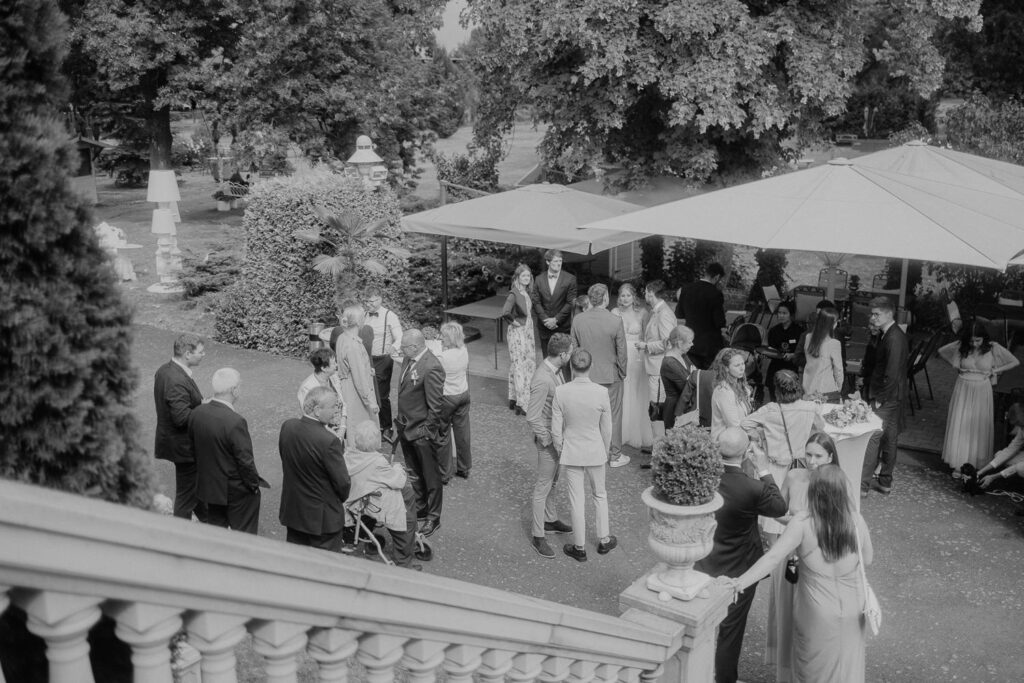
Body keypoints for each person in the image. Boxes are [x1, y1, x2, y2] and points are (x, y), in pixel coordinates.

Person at [722, 464, 873, 683]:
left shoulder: (803, 523)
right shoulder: (856, 521)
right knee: (847, 668)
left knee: (812, 669)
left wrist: (739, 582)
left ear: (815, 491)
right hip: (853, 606)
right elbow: (867, 559)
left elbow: (772, 558)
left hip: (816, 609)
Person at [694, 427, 787, 683]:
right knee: (731, 631)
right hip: (740, 568)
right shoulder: (753, 488)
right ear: (747, 452)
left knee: (701, 625)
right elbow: (780, 506)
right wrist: (764, 469)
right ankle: (724, 679)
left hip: (703, 561)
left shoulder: (702, 477)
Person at [763, 432, 841, 683]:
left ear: (830, 456)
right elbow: (778, 512)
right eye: (808, 454)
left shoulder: (837, 484)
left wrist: (804, 520)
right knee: (787, 611)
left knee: (812, 619)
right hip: (791, 555)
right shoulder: (794, 476)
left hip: (820, 558)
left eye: (818, 455)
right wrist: (793, 519)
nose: (812, 460)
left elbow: (841, 524)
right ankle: (787, 673)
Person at [741, 369, 825, 537]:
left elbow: (745, 424)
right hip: (800, 465)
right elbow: (819, 428)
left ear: (777, 390)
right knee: (797, 506)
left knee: (773, 511)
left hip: (775, 466)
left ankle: (774, 549)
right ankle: (793, 554)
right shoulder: (811, 407)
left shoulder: (770, 410)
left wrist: (762, 434)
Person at [551, 349, 617, 561]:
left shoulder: (561, 391)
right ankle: (604, 539)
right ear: (590, 367)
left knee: (576, 499)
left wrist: (561, 447)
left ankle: (579, 547)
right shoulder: (601, 392)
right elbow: (607, 428)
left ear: (571, 367)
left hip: (572, 449)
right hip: (595, 449)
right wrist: (605, 450)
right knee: (600, 494)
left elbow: (556, 428)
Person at [938, 321, 1019, 474]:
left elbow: (1014, 361)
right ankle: (958, 462)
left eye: (978, 340)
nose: (974, 344)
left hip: (982, 389)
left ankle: (975, 463)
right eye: (971, 340)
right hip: (963, 388)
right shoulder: (962, 347)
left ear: (984, 339)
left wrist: (995, 370)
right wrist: (957, 358)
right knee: (960, 424)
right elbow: (942, 350)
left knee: (977, 425)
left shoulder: (993, 348)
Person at [189, 368, 263, 534]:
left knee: (217, 533)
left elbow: (193, 446)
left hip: (209, 487)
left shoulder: (197, 413)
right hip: (235, 490)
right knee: (244, 536)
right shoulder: (235, 421)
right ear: (234, 390)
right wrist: (253, 485)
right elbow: (245, 460)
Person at [344, 421, 425, 570]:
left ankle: (408, 542)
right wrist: (398, 467)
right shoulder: (377, 461)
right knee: (405, 517)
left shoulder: (349, 453)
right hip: (368, 499)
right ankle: (403, 563)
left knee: (407, 494)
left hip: (356, 496)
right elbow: (397, 481)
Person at [279, 387, 352, 551]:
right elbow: (343, 483)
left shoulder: (288, 426)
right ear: (317, 410)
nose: (336, 412)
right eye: (333, 407)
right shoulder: (329, 441)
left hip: (294, 512)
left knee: (296, 564)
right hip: (322, 520)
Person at [525, 333, 574, 558]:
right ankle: (538, 535)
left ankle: (551, 519)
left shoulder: (556, 371)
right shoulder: (542, 378)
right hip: (548, 443)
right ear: (562, 354)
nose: (572, 354)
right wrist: (548, 442)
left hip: (557, 439)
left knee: (553, 482)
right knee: (542, 487)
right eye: (570, 351)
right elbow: (532, 416)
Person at [395, 329, 447, 538]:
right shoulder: (410, 359)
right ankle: (420, 506)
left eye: (404, 347)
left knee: (431, 476)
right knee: (415, 472)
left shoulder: (431, 366)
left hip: (421, 432)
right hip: (406, 427)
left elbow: (436, 406)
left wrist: (426, 431)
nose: (401, 350)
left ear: (415, 346)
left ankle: (434, 517)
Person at [571, 284, 629, 467]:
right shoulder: (615, 320)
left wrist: (577, 374)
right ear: (605, 298)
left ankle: (588, 452)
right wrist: (622, 373)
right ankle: (614, 455)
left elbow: (574, 350)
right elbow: (622, 353)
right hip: (610, 376)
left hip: (585, 375)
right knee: (613, 416)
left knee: (586, 415)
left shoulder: (578, 320)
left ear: (590, 298)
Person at [154, 333, 207, 521]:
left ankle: (209, 520)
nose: (204, 354)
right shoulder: (177, 380)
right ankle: (180, 532)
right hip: (184, 447)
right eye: (200, 352)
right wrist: (205, 410)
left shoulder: (164, 370)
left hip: (175, 443)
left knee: (194, 486)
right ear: (187, 354)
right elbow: (182, 417)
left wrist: (200, 403)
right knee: (186, 495)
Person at [860, 296, 910, 497]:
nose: (873, 317)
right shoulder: (889, 334)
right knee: (889, 438)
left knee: (872, 437)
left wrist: (879, 398)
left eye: (876, 314)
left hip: (887, 396)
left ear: (889, 313)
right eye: (872, 313)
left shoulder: (894, 337)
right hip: (892, 395)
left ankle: (862, 486)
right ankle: (885, 482)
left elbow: (892, 372)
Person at [612, 283, 653, 450]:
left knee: (637, 390)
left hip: (637, 356)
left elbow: (646, 335)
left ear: (634, 297)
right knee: (623, 390)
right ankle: (621, 431)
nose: (625, 298)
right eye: (622, 295)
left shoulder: (642, 313)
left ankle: (637, 430)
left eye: (628, 295)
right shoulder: (614, 313)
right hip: (621, 355)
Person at [335, 304, 379, 448]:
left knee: (353, 426)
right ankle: (360, 460)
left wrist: (367, 370)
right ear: (359, 321)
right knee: (360, 429)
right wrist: (370, 401)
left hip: (348, 386)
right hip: (356, 392)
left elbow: (349, 365)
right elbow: (359, 377)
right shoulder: (353, 344)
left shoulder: (343, 337)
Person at [362, 286, 403, 436]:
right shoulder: (364, 314)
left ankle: (387, 427)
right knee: (366, 390)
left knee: (381, 393)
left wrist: (394, 347)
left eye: (372, 301)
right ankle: (372, 423)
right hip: (366, 359)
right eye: (367, 301)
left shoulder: (389, 315)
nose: (369, 304)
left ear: (380, 299)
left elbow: (399, 337)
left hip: (383, 359)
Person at [638, 280, 679, 433]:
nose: (645, 296)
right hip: (655, 367)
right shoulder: (656, 312)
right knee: (655, 406)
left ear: (651, 293)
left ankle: (659, 446)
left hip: (660, 368)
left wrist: (646, 346)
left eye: (646, 293)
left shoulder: (664, 314)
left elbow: (668, 343)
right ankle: (656, 443)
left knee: (657, 407)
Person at [435, 321, 472, 481]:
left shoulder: (443, 357)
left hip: (447, 397)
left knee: (443, 433)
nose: (441, 338)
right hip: (463, 393)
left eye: (443, 336)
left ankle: (444, 473)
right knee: (463, 432)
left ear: (449, 338)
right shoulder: (464, 350)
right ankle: (464, 467)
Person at [675, 262, 727, 369]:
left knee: (692, 375)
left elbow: (679, 314)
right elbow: (719, 322)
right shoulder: (716, 293)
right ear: (717, 277)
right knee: (707, 378)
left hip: (689, 340)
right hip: (709, 345)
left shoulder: (686, 289)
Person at [502, 263, 537, 415]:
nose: (526, 278)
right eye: (523, 275)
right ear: (517, 277)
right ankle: (522, 403)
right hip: (518, 333)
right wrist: (514, 322)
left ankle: (514, 398)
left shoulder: (525, 292)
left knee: (521, 364)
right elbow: (505, 312)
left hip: (527, 331)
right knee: (519, 365)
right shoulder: (514, 293)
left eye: (528, 276)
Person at [530, 249, 578, 358]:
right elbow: (536, 302)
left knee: (563, 360)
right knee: (547, 359)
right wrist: (546, 320)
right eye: (555, 261)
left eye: (560, 261)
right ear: (548, 262)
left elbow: (570, 303)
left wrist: (556, 319)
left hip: (562, 327)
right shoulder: (538, 279)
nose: (559, 264)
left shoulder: (570, 279)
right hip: (544, 327)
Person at [297, 347, 347, 438]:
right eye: (334, 363)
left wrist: (342, 426)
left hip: (338, 428)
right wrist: (334, 434)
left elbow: (342, 403)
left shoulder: (333, 377)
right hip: (320, 435)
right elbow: (310, 418)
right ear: (324, 368)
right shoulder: (307, 388)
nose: (336, 365)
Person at [711, 347, 754, 442]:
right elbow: (734, 425)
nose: (742, 368)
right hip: (725, 443)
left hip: (739, 439)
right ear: (726, 368)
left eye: (743, 364)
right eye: (737, 365)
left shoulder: (741, 386)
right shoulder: (724, 391)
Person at [659, 325, 698, 430]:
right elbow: (688, 385)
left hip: (684, 407)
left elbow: (695, 375)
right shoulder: (669, 362)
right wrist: (692, 376)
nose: (692, 344)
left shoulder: (683, 355)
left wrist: (692, 376)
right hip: (674, 410)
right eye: (690, 342)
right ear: (680, 343)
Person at [802, 306, 844, 401]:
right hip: (827, 390)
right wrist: (838, 387)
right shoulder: (834, 343)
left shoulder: (808, 337)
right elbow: (839, 370)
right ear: (832, 324)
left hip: (808, 388)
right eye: (836, 321)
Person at [764, 301, 804, 400]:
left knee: (789, 399)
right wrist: (765, 353)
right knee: (774, 398)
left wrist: (793, 355)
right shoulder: (774, 331)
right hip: (775, 368)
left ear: (791, 315)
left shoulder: (799, 331)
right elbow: (770, 349)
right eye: (779, 313)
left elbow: (803, 352)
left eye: (784, 313)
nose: (781, 315)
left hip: (790, 369)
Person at [979, 403, 1024, 490]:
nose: (1019, 427)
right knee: (999, 454)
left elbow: (1016, 467)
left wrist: (993, 477)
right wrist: (980, 472)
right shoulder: (1022, 428)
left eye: (1019, 423)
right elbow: (1011, 449)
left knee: (1020, 468)